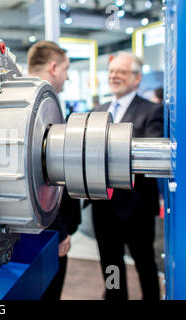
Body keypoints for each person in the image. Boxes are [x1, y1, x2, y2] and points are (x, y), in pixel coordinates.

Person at [92, 52, 163, 300]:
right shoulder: (99, 111)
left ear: (136, 78)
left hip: (136, 206)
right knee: (111, 263)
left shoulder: (152, 111)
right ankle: (115, 297)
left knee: (145, 263)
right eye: (112, 72)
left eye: (121, 71)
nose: (114, 76)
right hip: (103, 206)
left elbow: (149, 156)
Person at [27, 40, 81, 300]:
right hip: (47, 228)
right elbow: (38, 180)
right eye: (66, 69)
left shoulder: (15, 99)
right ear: (53, 67)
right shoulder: (42, 107)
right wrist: (59, 230)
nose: (67, 76)